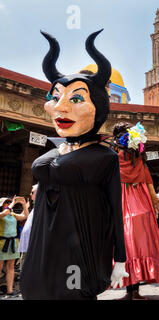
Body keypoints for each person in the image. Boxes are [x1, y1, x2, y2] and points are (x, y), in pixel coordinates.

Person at [20, 30, 128, 300]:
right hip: (45, 256)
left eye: (76, 99)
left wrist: (121, 260)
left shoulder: (105, 157)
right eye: (56, 98)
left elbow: (116, 211)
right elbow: (43, 166)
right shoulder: (57, 150)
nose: (60, 107)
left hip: (83, 257)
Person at [112, 121, 159, 300]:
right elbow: (148, 180)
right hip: (141, 203)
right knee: (140, 246)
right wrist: (155, 200)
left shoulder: (114, 157)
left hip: (122, 203)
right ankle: (135, 291)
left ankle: (129, 291)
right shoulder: (137, 156)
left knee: (126, 247)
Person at [1, 196, 29, 298]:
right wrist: (13, 203)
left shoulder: (12, 215)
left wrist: (23, 204)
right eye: (6, 203)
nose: (9, 204)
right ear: (2, 205)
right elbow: (4, 213)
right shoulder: (2, 214)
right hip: (2, 243)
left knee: (11, 266)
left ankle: (9, 290)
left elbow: (26, 216)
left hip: (12, 243)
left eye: (9, 202)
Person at [18, 185, 38, 271]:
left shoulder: (42, 206)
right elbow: (27, 216)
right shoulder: (36, 207)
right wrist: (24, 205)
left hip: (32, 244)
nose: (30, 194)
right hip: (26, 243)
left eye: (32, 192)